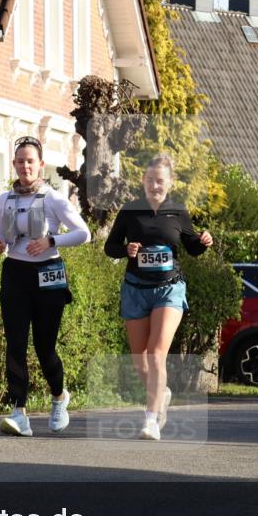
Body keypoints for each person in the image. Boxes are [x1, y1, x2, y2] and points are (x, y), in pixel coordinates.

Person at [103, 154, 213, 440]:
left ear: (170, 182)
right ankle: (161, 392)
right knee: (140, 362)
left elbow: (191, 247)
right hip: (135, 288)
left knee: (155, 355)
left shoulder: (177, 211)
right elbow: (110, 246)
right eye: (150, 180)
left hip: (169, 287)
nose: (154, 186)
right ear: (143, 180)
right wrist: (126, 250)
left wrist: (203, 242)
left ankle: (151, 419)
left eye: (160, 181)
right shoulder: (130, 210)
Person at [0, 136, 91, 436]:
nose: (25, 166)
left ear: (40, 165)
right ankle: (19, 412)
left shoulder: (54, 198)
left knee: (44, 347)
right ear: (14, 164)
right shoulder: (4, 199)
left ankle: (59, 397)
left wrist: (51, 240)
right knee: (15, 344)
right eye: (20, 161)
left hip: (48, 274)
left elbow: (83, 233)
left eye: (30, 161)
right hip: (15, 273)